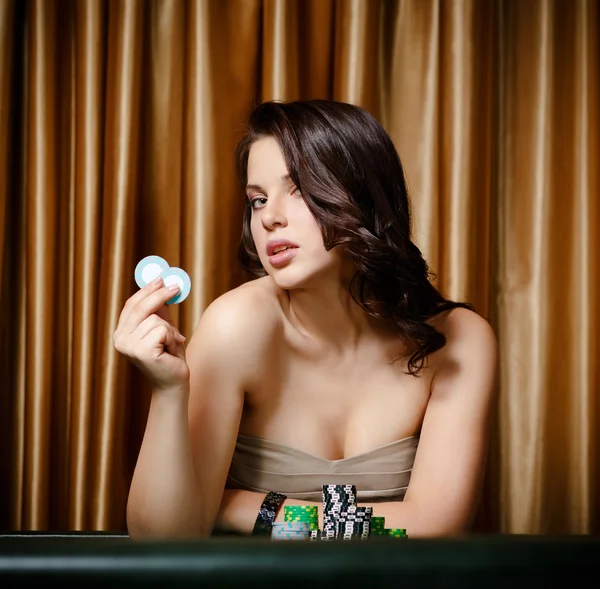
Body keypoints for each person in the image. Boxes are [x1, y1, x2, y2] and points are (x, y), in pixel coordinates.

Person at [113, 99, 498, 539]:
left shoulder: (459, 340)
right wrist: (168, 392)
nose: (270, 218)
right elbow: (162, 539)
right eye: (257, 200)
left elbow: (435, 527)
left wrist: (241, 506)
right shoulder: (236, 326)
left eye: (297, 189)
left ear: (365, 195)